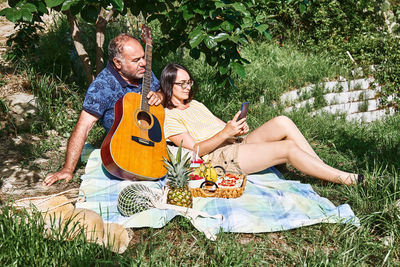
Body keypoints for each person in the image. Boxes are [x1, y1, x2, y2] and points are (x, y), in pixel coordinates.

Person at [160, 63, 364, 185]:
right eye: (182, 84)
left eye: (189, 82)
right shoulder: (169, 116)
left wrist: (236, 128)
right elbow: (195, 151)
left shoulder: (196, 104)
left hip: (233, 145)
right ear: (169, 85)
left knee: (282, 122)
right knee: (287, 148)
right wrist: (224, 134)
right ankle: (345, 179)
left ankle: (322, 170)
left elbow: (223, 127)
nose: (187, 87)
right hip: (217, 159)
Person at [43, 33, 164, 186]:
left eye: (143, 57)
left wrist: (159, 95)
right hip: (126, 145)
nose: (144, 63)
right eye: (136, 60)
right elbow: (84, 126)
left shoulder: (143, 72)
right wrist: (68, 169)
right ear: (117, 63)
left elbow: (163, 92)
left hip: (153, 139)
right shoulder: (102, 86)